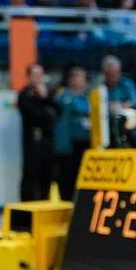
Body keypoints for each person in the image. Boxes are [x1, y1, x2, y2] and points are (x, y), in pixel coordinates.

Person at [17, 63, 57, 201]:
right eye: (34, 75)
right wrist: (46, 111)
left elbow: (57, 112)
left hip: (47, 139)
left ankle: (44, 203)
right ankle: (26, 207)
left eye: (40, 75)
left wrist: (45, 98)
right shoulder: (24, 94)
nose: (38, 78)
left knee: (47, 173)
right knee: (30, 173)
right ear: (29, 77)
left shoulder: (50, 93)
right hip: (31, 139)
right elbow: (34, 113)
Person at [52, 65, 91, 196]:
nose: (78, 80)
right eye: (75, 77)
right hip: (67, 146)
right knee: (67, 179)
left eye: (81, 77)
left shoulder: (89, 99)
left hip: (85, 143)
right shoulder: (63, 97)